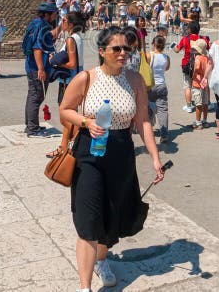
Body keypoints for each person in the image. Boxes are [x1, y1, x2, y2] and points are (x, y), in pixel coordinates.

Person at [59, 27, 165, 292]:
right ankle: (84, 287)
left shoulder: (135, 80)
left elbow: (142, 121)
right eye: (116, 48)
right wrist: (86, 121)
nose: (122, 53)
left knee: (110, 211)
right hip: (89, 152)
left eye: (126, 48)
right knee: (87, 217)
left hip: (121, 152)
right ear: (102, 51)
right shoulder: (86, 78)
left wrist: (155, 157)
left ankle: (101, 260)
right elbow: (65, 109)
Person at [23, 2, 58, 137]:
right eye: (54, 14)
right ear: (47, 14)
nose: (55, 17)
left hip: (31, 66)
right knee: (36, 96)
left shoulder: (36, 23)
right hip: (36, 67)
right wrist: (41, 69)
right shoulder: (41, 26)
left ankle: (31, 125)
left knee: (33, 95)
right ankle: (32, 128)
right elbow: (37, 48)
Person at [145, 35, 171, 144]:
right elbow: (166, 68)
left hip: (150, 86)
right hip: (162, 85)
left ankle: (147, 130)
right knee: (162, 110)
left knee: (147, 107)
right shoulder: (166, 57)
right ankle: (164, 133)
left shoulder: (149, 56)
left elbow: (144, 69)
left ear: (153, 44)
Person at [190, 38, 210, 130]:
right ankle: (205, 120)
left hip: (197, 83)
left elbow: (197, 67)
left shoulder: (197, 58)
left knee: (198, 104)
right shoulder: (206, 58)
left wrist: (194, 74)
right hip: (205, 83)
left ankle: (198, 122)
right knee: (205, 103)